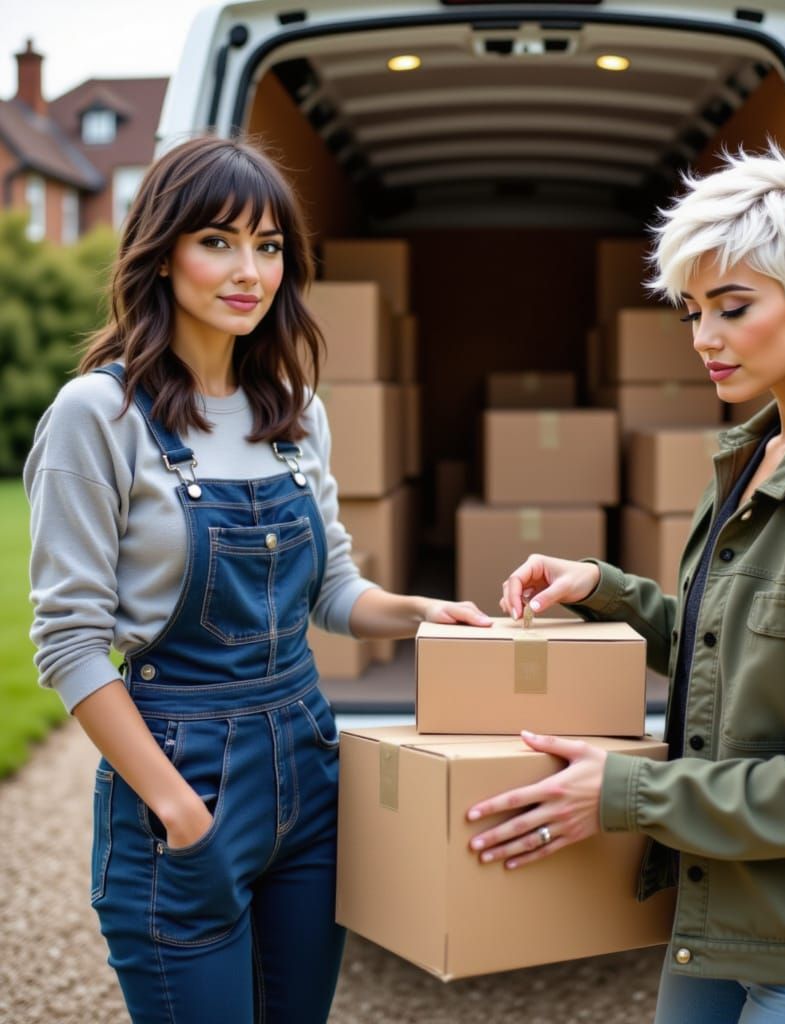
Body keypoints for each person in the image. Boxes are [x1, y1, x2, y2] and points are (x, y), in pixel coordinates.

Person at [468, 149, 785, 1024]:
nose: (703, 338)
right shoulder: (760, 451)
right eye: (694, 310)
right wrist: (609, 592)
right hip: (724, 910)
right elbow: (736, 651)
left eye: (734, 308)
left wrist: (627, 792)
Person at [24, 135, 490, 1024]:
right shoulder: (100, 416)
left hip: (309, 771)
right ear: (161, 254)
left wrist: (428, 612)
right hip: (182, 777)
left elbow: (331, 592)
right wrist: (181, 815)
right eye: (219, 241)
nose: (250, 270)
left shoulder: (293, 412)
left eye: (269, 246)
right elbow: (70, 644)